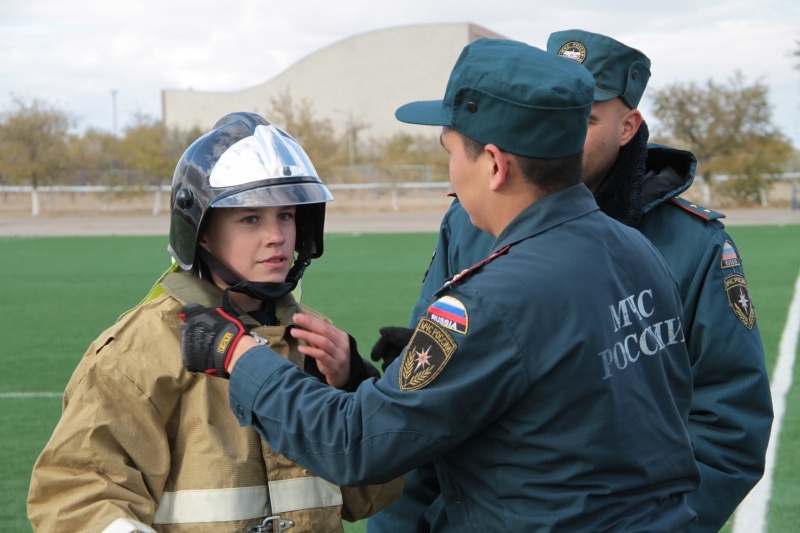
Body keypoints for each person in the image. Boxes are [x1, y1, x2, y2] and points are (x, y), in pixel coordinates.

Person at [180, 39, 701, 531]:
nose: (451, 176)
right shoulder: (635, 250)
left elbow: (357, 443)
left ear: (495, 165)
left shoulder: (493, 300)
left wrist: (238, 353)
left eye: (452, 152)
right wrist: (366, 379)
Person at [368, 29, 774, 533]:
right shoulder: (469, 221)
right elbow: (425, 390)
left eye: (585, 117)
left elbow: (729, 423)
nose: (558, 126)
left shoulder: (692, 244)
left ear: (628, 127)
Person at [27, 112, 402, 533]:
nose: (277, 236)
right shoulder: (145, 348)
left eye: (287, 216)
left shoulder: (314, 338)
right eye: (250, 219)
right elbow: (76, 491)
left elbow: (365, 497)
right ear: (201, 232)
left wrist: (355, 389)